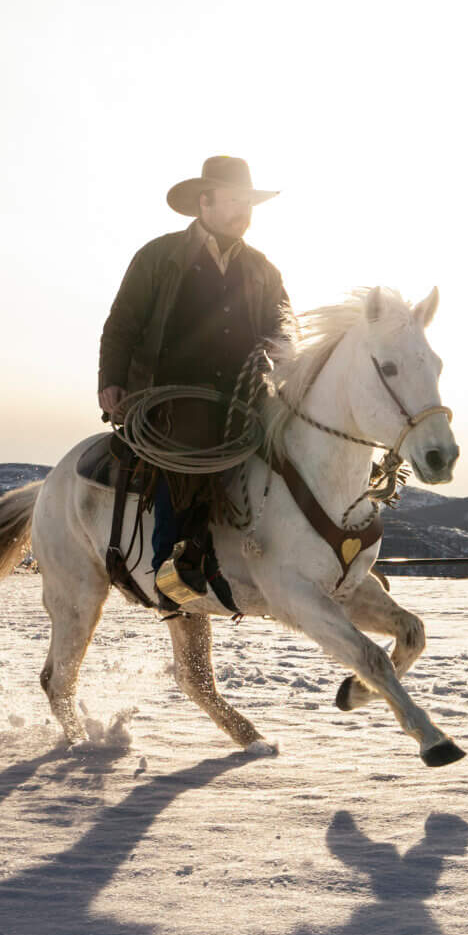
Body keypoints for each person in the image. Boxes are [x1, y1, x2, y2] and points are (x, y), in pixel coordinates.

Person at [96, 155, 292, 605]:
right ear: (205, 201)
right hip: (170, 392)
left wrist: (285, 360)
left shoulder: (262, 269)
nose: (244, 211)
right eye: (235, 200)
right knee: (190, 442)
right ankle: (171, 570)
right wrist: (112, 381)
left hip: (244, 392)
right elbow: (122, 323)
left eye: (249, 203)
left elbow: (284, 328)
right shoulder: (160, 257)